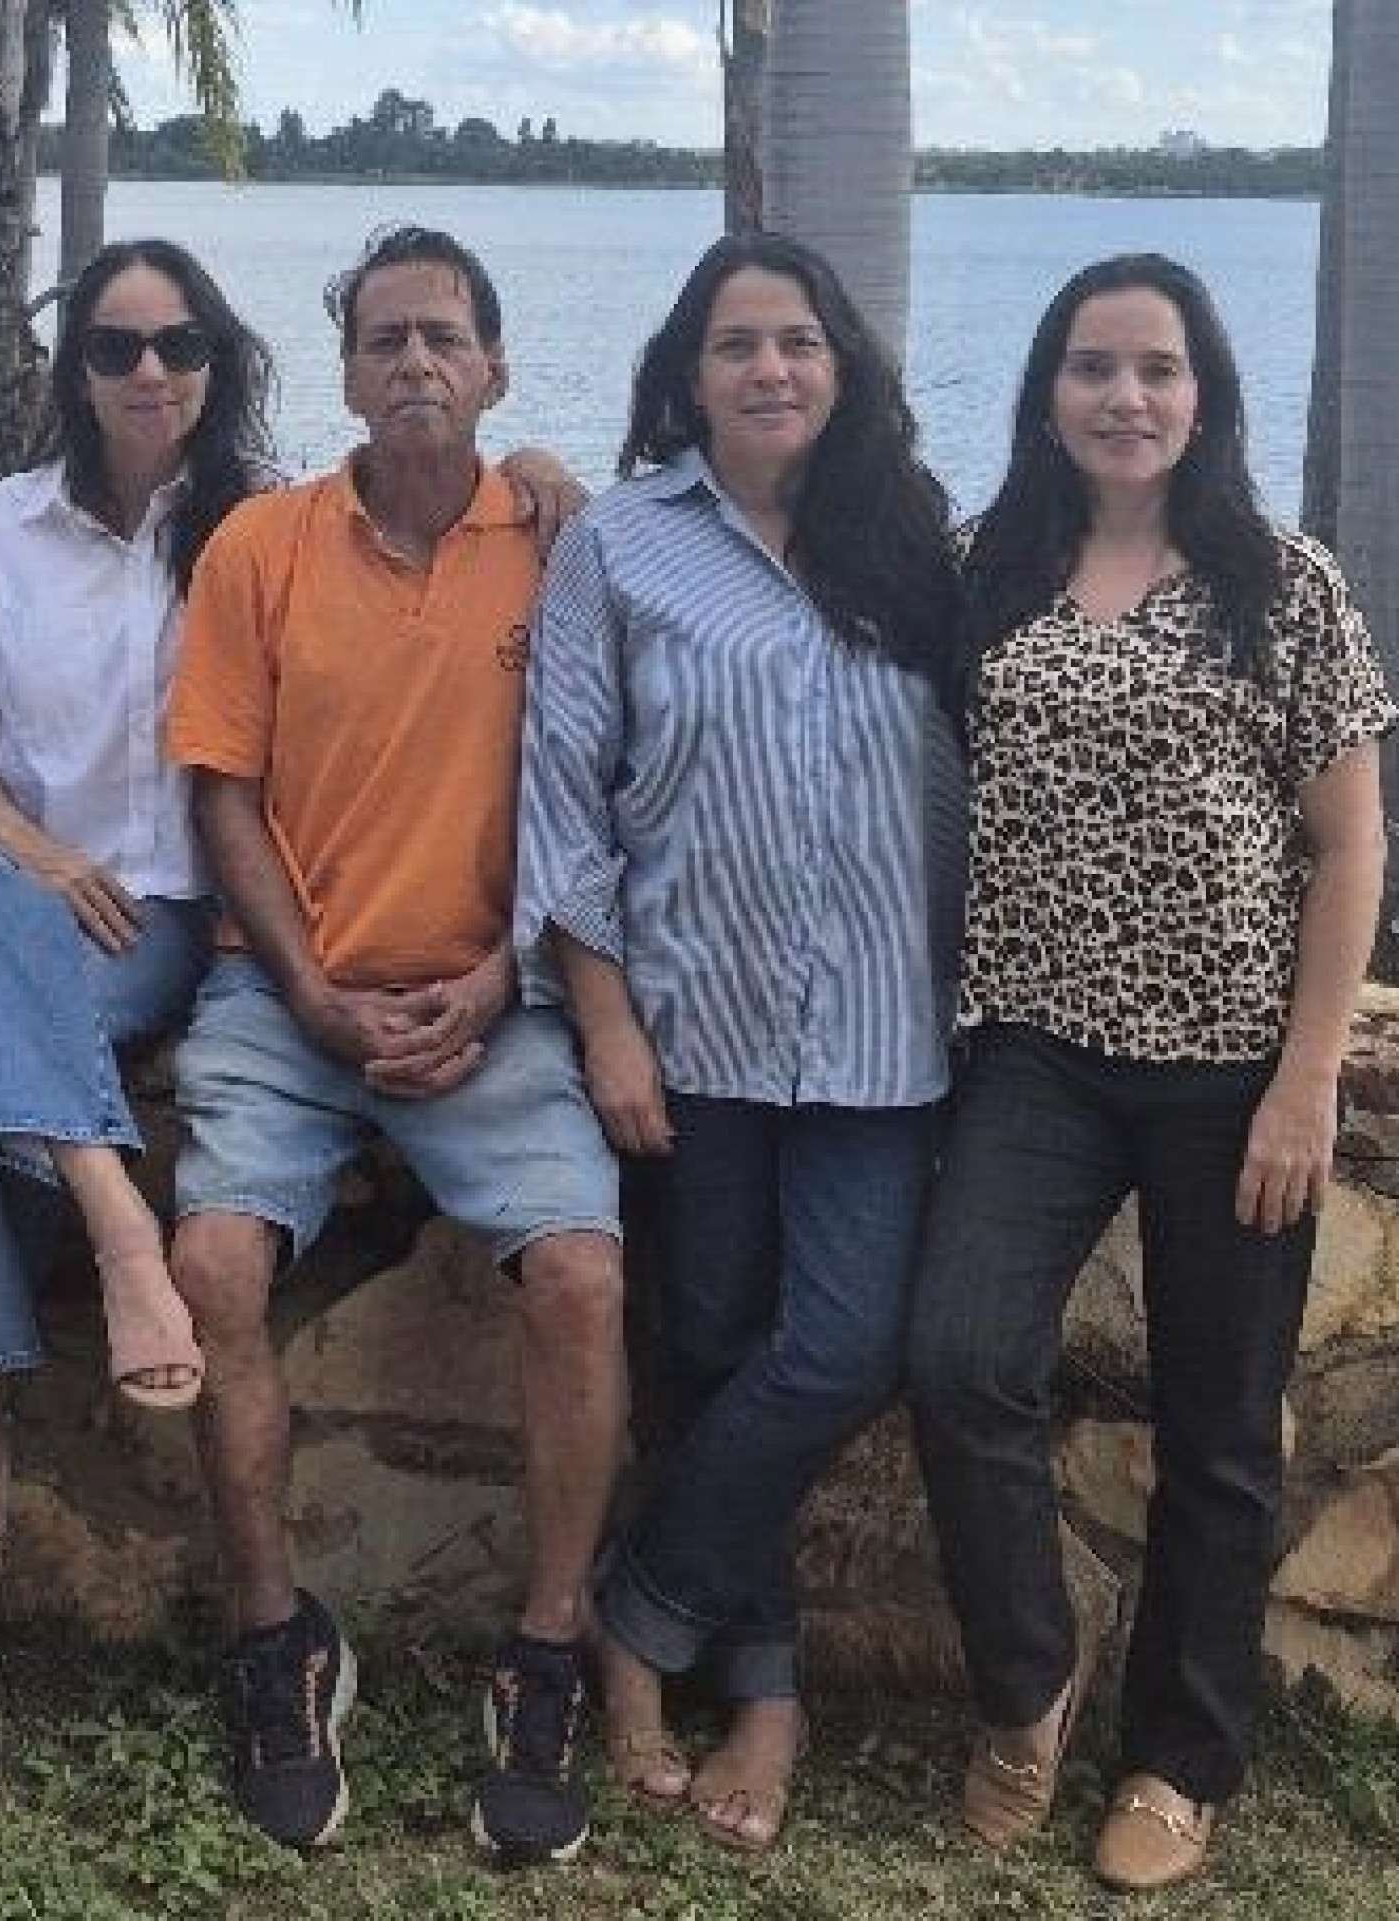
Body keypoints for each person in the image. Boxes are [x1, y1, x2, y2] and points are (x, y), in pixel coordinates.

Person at [904, 253, 1392, 1892]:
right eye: (1095, 366)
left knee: (1220, 1431)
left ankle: (1181, 1761)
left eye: (1158, 369)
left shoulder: (1283, 583)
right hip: (1035, 1056)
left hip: (1233, 1069)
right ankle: (1027, 1681)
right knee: (958, 1353)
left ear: (1204, 396)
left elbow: (1349, 847)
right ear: (1049, 390)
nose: (1126, 396)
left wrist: (1307, 1077)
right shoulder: (987, 569)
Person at [163, 226, 628, 1867]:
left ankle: (548, 1651)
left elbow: (600, 796)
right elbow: (222, 789)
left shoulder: (564, 547)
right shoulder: (263, 545)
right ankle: (274, 1637)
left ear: (495, 368)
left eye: (444, 336)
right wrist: (307, 992)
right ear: (349, 375)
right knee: (211, 1266)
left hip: (492, 999)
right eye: (384, 339)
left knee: (582, 1277)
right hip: (285, 1003)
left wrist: (503, 980)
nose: (415, 360)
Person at [513, 233, 965, 1855]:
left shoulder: (915, 544)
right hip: (689, 1030)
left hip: (882, 1034)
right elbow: (564, 800)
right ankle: (763, 1692)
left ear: (841, 365)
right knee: (705, 1346)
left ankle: (632, 1616)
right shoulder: (619, 546)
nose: (771, 367)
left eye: (798, 340)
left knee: (842, 1344)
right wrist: (607, 1022)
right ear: (687, 375)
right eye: (736, 344)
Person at [0, 240, 264, 1575]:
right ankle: (116, 1217)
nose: (150, 370)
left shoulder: (263, 529)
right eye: (116, 345)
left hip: (146, 921)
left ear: (215, 361)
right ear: (78, 372)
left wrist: (543, 476)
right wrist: (31, 850)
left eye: (178, 343)